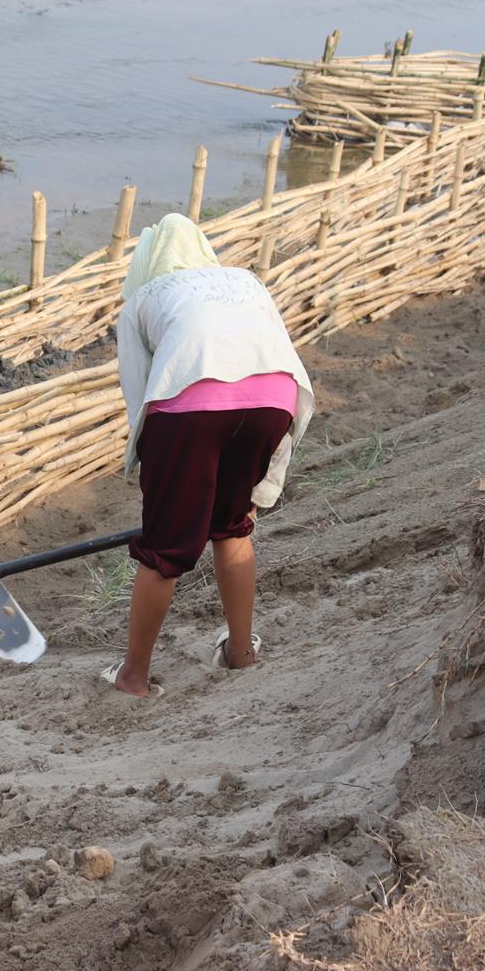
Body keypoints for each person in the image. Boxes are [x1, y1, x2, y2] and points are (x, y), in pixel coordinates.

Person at [107, 213, 314, 698]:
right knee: (233, 525)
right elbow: (269, 347)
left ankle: (133, 677)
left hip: (191, 410)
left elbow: (142, 399)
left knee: (164, 551)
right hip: (273, 399)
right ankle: (240, 654)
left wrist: (155, 479)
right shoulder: (244, 280)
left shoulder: (143, 298)